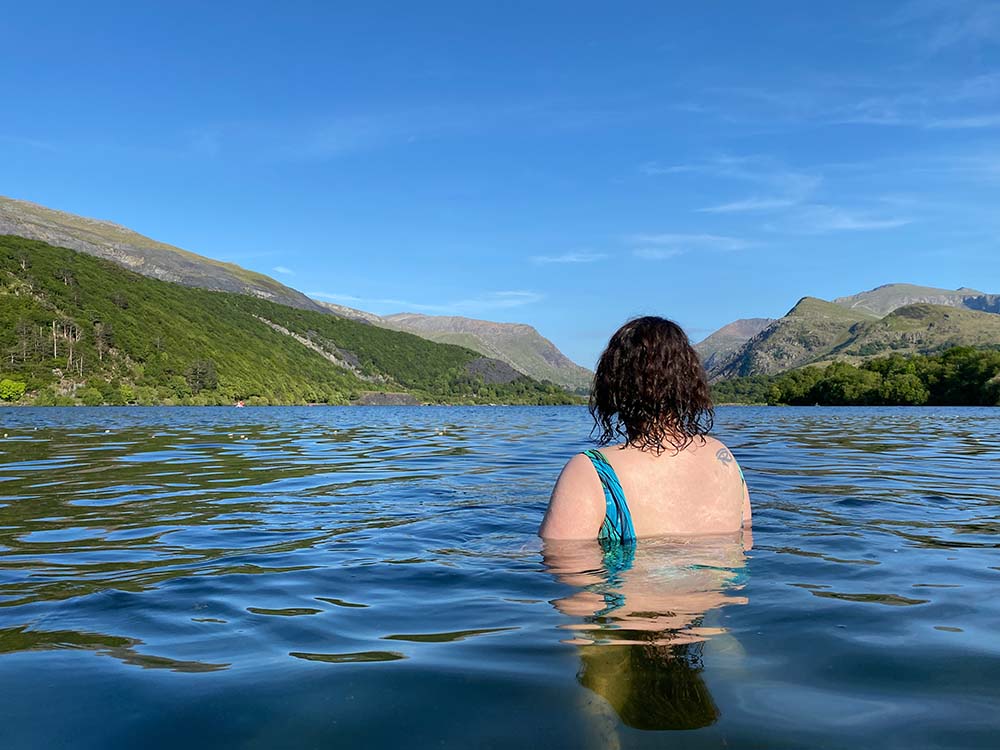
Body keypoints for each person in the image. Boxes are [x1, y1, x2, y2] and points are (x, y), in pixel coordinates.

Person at [539, 316, 751, 542]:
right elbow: (745, 541)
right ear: (689, 384)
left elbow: (563, 565)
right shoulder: (724, 457)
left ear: (613, 386)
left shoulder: (591, 472)